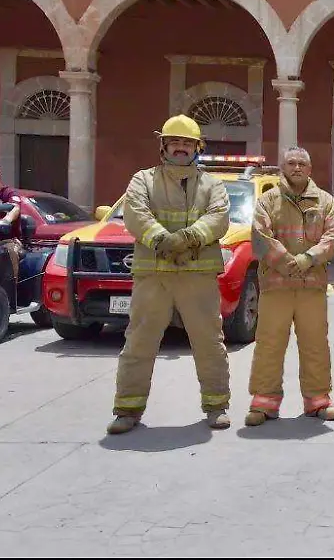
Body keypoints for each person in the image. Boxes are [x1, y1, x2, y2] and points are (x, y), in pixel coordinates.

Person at [106, 115, 232, 435]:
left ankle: (216, 405)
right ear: (163, 146)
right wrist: (163, 240)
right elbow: (136, 214)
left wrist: (187, 239)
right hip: (154, 274)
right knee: (139, 341)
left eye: (187, 143)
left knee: (209, 342)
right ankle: (127, 409)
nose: (180, 148)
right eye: (174, 142)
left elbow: (218, 218)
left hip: (198, 275)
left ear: (197, 148)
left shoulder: (212, 184)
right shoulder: (143, 180)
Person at [244, 147, 334, 427]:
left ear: (310, 170)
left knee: (315, 344)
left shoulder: (325, 202)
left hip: (311, 287)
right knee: (269, 344)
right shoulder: (267, 201)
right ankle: (264, 402)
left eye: (302, 163)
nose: (297, 168)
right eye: (291, 163)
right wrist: (288, 262)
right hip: (276, 286)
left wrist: (308, 259)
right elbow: (260, 235)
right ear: (282, 168)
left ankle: (318, 400)